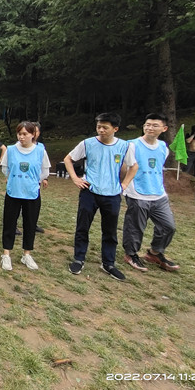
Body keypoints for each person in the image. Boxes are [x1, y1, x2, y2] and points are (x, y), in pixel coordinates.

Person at [63, 113, 136, 281]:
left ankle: (108, 263)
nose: (101, 130)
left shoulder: (125, 146)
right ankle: (79, 259)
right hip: (90, 192)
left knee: (110, 230)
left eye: (105, 127)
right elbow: (68, 159)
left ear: (115, 129)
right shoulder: (88, 143)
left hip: (112, 195)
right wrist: (75, 178)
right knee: (83, 227)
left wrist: (123, 185)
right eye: (98, 127)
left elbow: (134, 166)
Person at [122, 113, 180, 272]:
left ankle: (155, 253)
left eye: (155, 125)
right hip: (137, 193)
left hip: (159, 194)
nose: (150, 128)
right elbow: (123, 167)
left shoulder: (163, 147)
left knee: (168, 226)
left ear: (164, 128)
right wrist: (124, 185)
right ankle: (131, 254)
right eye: (147, 124)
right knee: (135, 227)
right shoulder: (131, 145)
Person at [0, 122, 50, 271]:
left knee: (30, 224)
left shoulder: (40, 151)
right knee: (9, 223)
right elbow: (5, 168)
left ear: (32, 135)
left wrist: (33, 181)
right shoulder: (11, 150)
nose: (21, 137)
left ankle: (26, 254)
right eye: (19, 134)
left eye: (25, 134)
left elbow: (44, 171)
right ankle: (6, 254)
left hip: (32, 193)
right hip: (13, 192)